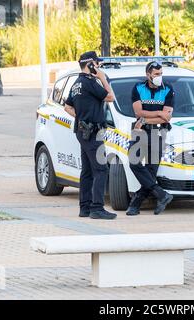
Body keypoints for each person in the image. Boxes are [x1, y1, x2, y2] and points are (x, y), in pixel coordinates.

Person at [64, 51, 117, 220]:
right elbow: (111, 97)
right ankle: (97, 208)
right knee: (101, 169)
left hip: (83, 131)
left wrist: (81, 119)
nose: (99, 66)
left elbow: (67, 107)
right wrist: (102, 78)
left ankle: (84, 207)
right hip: (93, 133)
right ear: (90, 65)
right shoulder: (89, 82)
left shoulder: (76, 83)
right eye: (97, 63)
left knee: (87, 170)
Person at [126, 61, 174, 216]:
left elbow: (166, 117)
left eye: (161, 74)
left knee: (151, 170)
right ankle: (160, 193)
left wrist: (147, 119)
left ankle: (136, 204)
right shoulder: (138, 88)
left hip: (157, 133)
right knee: (134, 162)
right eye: (156, 74)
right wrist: (158, 114)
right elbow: (138, 112)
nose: (159, 77)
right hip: (140, 132)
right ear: (148, 75)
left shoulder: (168, 89)